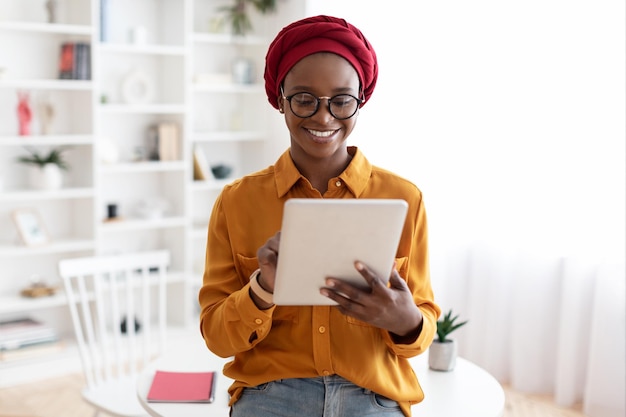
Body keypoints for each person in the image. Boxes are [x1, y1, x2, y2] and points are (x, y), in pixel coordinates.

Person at [198, 15, 440, 417]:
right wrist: (262, 289)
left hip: (373, 398)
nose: (324, 117)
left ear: (361, 100)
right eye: (305, 98)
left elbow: (422, 329)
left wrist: (406, 319)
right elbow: (217, 338)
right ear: (279, 98)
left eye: (342, 100)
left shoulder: (404, 199)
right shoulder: (236, 202)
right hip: (270, 397)